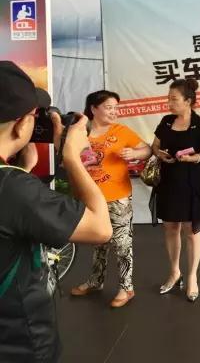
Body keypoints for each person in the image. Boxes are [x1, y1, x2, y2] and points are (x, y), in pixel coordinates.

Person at [0, 60, 112, 362]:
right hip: (17, 343)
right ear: (22, 124)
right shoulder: (14, 188)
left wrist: (20, 170)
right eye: (34, 117)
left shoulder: (13, 185)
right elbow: (100, 229)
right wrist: (72, 156)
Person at [70, 90, 151, 308]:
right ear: (93, 108)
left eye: (116, 108)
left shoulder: (121, 131)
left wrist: (135, 154)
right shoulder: (80, 132)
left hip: (118, 197)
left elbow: (146, 149)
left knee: (122, 243)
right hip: (91, 197)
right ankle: (96, 281)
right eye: (109, 107)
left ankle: (127, 288)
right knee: (98, 242)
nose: (114, 112)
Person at [152, 78, 200, 302]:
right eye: (168, 99)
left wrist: (193, 158)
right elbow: (155, 145)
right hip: (168, 181)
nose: (169, 103)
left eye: (174, 99)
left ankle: (192, 276)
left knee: (191, 230)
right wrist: (160, 154)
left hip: (192, 183)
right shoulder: (166, 121)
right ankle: (174, 272)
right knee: (171, 228)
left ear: (188, 101)